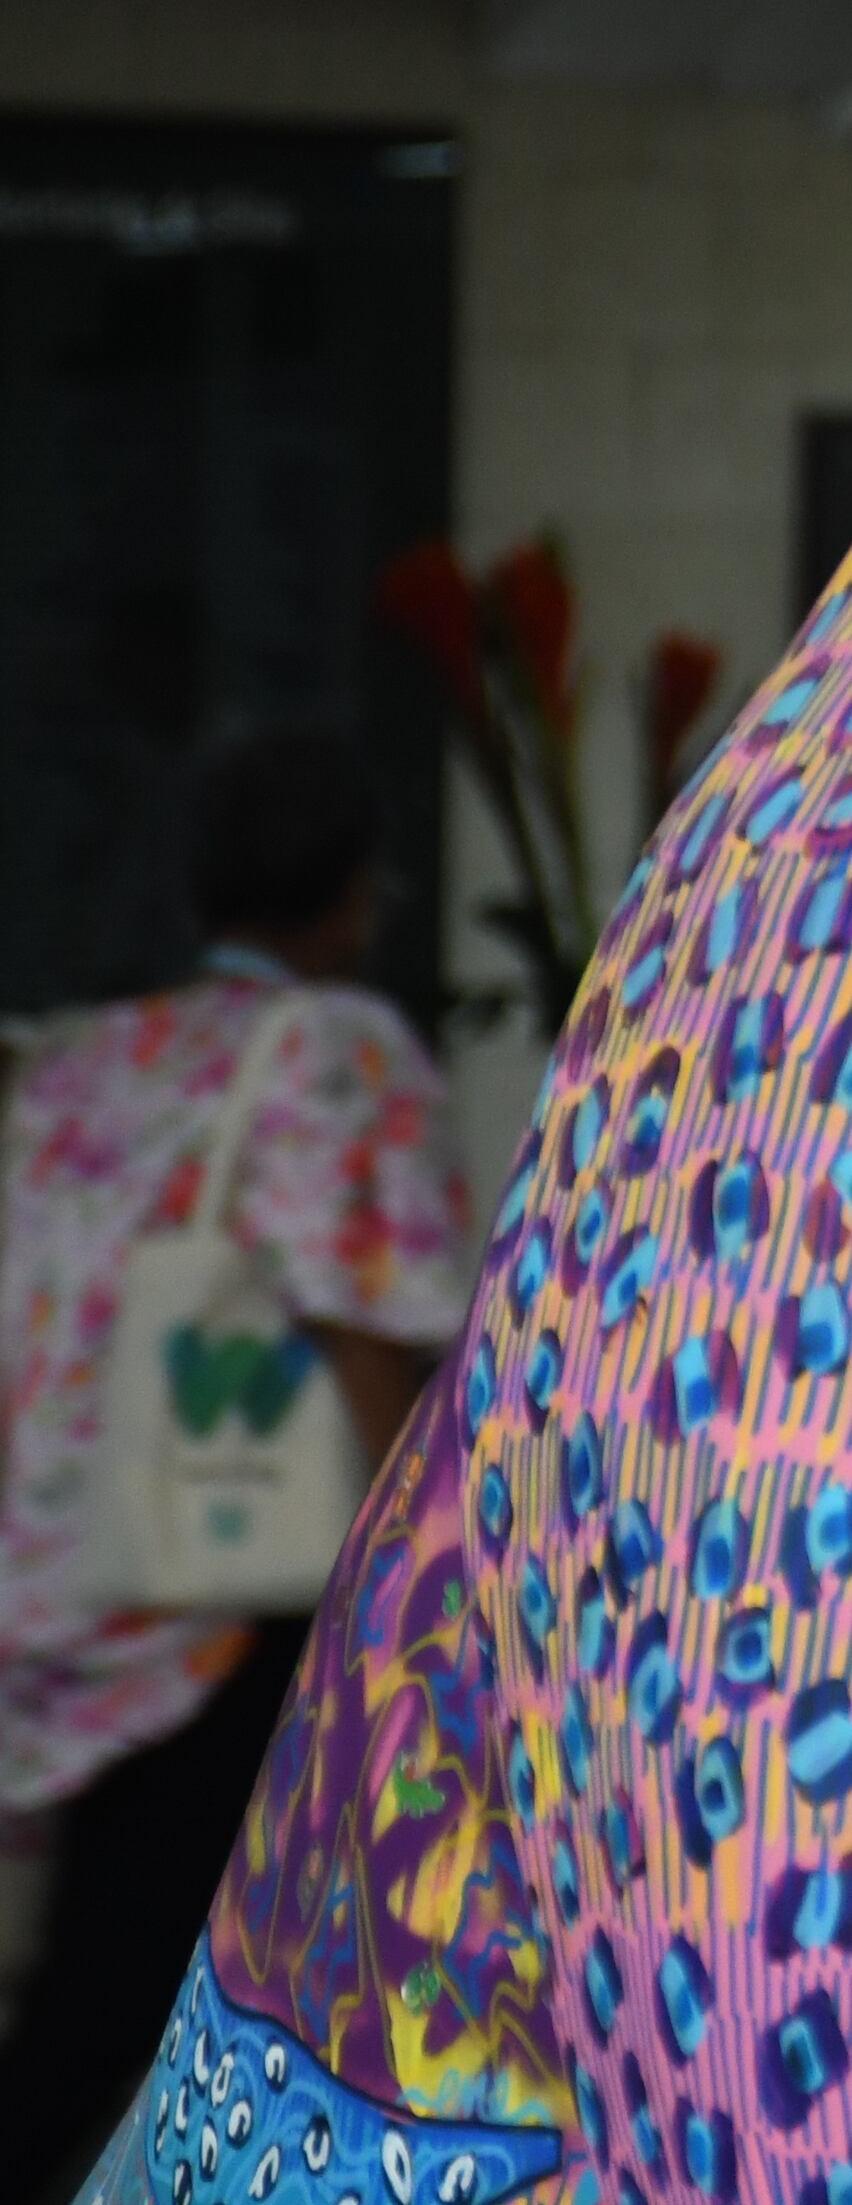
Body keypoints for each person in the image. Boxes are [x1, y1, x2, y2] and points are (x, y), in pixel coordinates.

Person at [0, 736, 466, 2199]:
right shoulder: (337, 1047)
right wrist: (437, 1582)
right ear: (354, 896)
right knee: (176, 2021)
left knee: (93, 1991)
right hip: (230, 1608)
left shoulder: (94, 1056)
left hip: (78, 1577)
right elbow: (370, 1321)